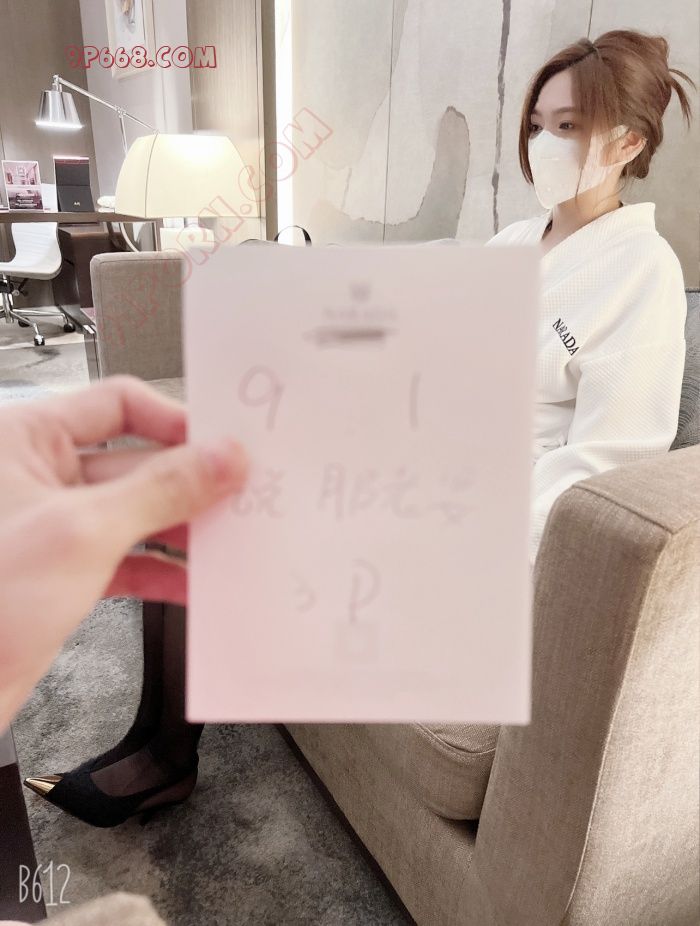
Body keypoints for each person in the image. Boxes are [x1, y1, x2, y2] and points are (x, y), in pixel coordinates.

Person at [23, 28, 694, 827]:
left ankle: (164, 760)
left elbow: (607, 466)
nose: (545, 143)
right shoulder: (518, 243)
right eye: (539, 124)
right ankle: (156, 743)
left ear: (628, 141)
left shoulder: (643, 276)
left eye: (570, 126)